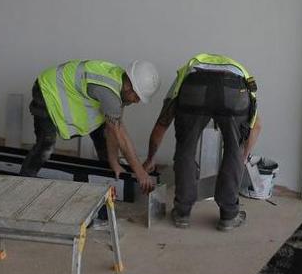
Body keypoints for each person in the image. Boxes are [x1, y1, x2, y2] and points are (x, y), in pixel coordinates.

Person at [143, 54, 262, 232]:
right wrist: (242, 156)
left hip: (194, 88)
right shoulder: (242, 75)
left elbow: (162, 124)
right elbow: (257, 126)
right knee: (234, 149)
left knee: (185, 148)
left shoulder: (184, 76)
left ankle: (182, 213)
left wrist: (151, 158)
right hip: (234, 91)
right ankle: (229, 216)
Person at [19, 59, 159, 195]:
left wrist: (114, 162)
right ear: (130, 87)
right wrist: (140, 172)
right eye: (137, 96)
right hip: (47, 90)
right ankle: (22, 183)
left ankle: (109, 171)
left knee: (103, 131)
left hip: (63, 90)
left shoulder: (119, 84)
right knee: (46, 144)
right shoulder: (109, 92)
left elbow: (113, 129)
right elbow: (120, 135)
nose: (137, 101)